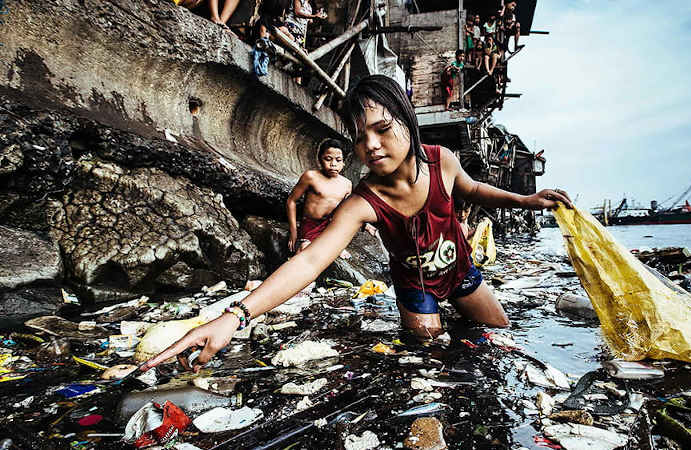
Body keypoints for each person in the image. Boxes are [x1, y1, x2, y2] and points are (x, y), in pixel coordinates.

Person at [141, 75, 571, 373]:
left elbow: (474, 190)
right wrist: (235, 316)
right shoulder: (363, 201)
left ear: (408, 119)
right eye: (360, 136)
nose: (371, 144)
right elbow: (310, 263)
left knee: (498, 336)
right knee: (432, 355)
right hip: (416, 287)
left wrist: (526, 200)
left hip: (460, 272)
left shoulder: (442, 162)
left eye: (383, 129)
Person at [287, 138, 352, 258]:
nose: (333, 164)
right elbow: (291, 201)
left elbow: (344, 212)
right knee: (305, 251)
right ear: (319, 160)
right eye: (328, 159)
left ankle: (335, 245)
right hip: (310, 225)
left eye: (338, 160)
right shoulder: (311, 176)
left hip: (330, 226)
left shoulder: (347, 184)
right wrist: (293, 231)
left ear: (343, 163)